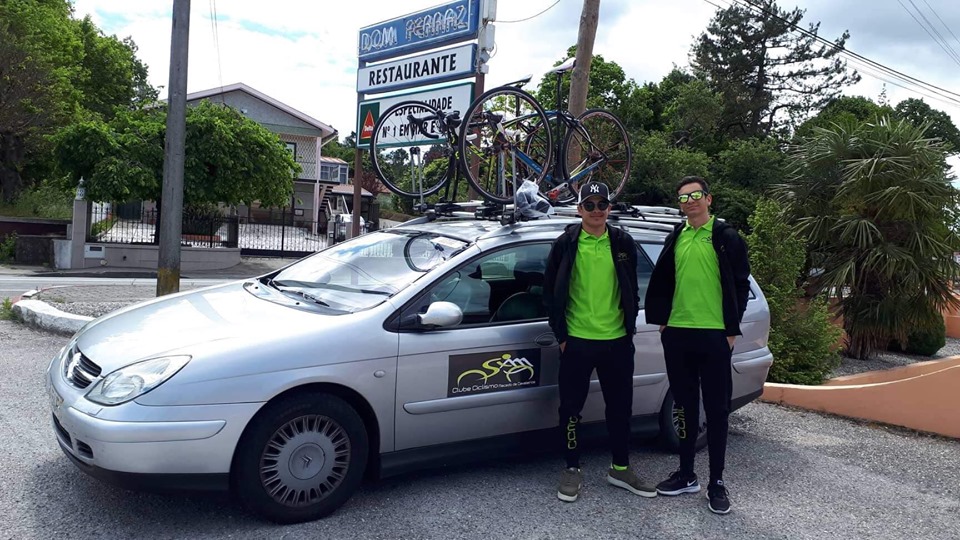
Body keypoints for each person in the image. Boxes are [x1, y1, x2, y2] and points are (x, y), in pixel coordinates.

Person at [543, 181, 656, 503]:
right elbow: (550, 293)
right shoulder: (566, 243)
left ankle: (620, 468)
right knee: (570, 409)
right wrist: (562, 336)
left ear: (609, 209)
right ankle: (572, 468)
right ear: (579, 209)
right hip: (577, 341)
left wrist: (630, 328)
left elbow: (631, 288)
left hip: (617, 341)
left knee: (620, 409)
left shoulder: (622, 242)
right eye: (589, 205)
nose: (596, 211)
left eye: (602, 204)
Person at [644, 176, 751, 515]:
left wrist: (731, 331)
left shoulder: (726, 237)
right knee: (684, 407)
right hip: (678, 334)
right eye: (683, 197)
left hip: (715, 335)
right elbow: (662, 279)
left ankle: (716, 482)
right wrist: (663, 320)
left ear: (708, 198)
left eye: (695, 195)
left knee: (717, 411)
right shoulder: (676, 236)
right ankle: (686, 473)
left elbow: (740, 283)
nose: (689, 201)